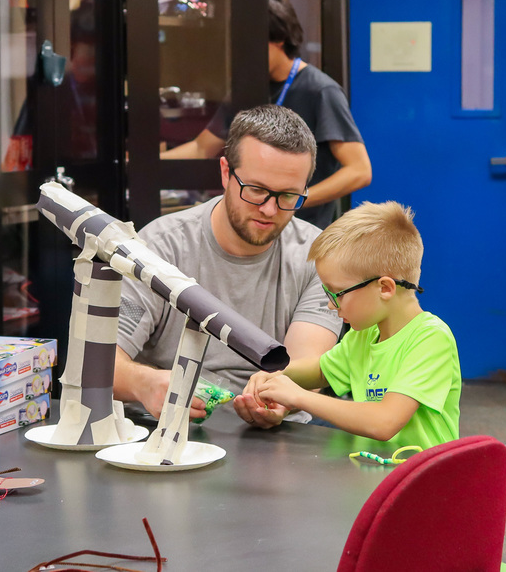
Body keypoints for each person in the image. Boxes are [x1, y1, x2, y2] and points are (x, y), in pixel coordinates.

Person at [115, 105, 343, 422]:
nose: (269, 209)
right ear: (225, 173)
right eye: (256, 190)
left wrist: (285, 398)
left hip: (277, 444)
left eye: (289, 196)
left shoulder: (320, 258)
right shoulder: (159, 247)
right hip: (167, 429)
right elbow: (101, 360)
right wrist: (145, 383)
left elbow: (308, 366)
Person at [234, 202, 461, 448]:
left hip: (421, 480)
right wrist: (273, 377)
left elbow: (384, 422)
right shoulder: (364, 336)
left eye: (338, 293)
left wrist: (297, 397)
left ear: (385, 288)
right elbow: (321, 372)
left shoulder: (430, 338)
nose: (332, 305)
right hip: (373, 473)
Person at [162, 0, 372, 229]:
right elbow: (202, 147)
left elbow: (359, 170)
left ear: (279, 38)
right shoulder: (246, 88)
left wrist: (290, 200)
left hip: (299, 232)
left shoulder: (320, 90)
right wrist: (145, 163)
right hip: (250, 228)